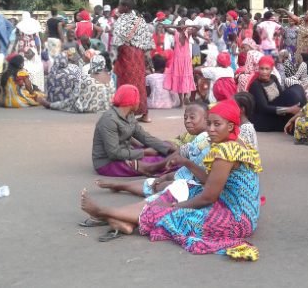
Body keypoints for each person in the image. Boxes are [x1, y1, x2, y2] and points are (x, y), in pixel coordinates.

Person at [80, 98, 263, 261]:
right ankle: (125, 220)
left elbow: (209, 197)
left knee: (174, 213)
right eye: (209, 124)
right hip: (235, 205)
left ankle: (103, 212)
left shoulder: (226, 151)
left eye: (217, 125)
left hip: (236, 218)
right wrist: (187, 163)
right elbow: (209, 181)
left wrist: (176, 207)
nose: (211, 129)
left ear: (230, 127)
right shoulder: (235, 143)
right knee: (182, 189)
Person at [91, 84, 176, 177]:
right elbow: (113, 153)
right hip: (108, 163)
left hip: (125, 151)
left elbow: (144, 137)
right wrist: (144, 152)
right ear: (131, 102)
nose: (139, 102)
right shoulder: (109, 120)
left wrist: (168, 149)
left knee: (166, 146)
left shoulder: (129, 115)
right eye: (138, 99)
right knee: (165, 162)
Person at [112, 0, 154, 123]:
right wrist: (148, 60)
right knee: (139, 83)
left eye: (120, 4)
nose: (118, 6)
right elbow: (148, 41)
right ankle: (145, 114)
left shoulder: (121, 20)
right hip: (139, 55)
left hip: (126, 55)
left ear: (125, 7)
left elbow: (116, 42)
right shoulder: (140, 20)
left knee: (125, 83)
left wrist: (114, 59)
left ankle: (125, 113)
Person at [247, 55, 306, 132]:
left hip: (277, 111)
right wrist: (289, 109)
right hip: (263, 119)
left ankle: (302, 112)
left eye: (267, 69)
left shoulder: (273, 78)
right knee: (291, 95)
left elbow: (282, 95)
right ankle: (298, 116)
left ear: (271, 69)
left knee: (297, 87)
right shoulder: (256, 85)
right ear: (258, 69)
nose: (264, 72)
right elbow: (264, 108)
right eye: (262, 69)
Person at [41, 55, 113, 113]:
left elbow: (72, 99)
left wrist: (52, 105)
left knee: (70, 103)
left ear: (91, 64)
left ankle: (49, 104)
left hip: (87, 108)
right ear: (103, 65)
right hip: (106, 108)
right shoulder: (110, 80)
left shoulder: (86, 79)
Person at [163, 21, 198, 106]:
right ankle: (183, 98)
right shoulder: (183, 33)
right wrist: (178, 27)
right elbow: (165, 26)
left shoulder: (182, 33)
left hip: (180, 59)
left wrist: (184, 26)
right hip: (184, 59)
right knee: (184, 78)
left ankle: (182, 101)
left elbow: (165, 26)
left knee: (180, 79)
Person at [281, 9, 308, 79]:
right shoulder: (302, 22)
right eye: (305, 13)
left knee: (306, 67)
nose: (305, 15)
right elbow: (293, 17)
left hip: (306, 51)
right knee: (298, 66)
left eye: (307, 14)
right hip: (298, 50)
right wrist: (285, 11)